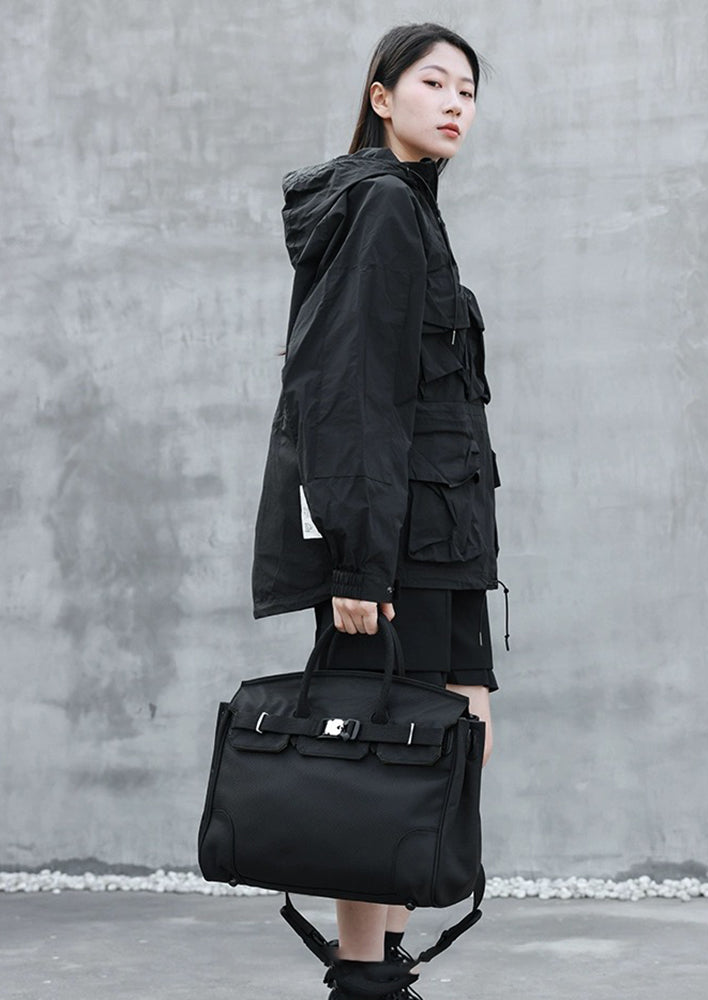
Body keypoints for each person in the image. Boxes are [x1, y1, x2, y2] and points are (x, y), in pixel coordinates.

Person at [252, 22, 501, 1000]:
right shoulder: (384, 206)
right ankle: (364, 978)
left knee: (433, 748)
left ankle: (379, 967)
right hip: (399, 548)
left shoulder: (410, 207)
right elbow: (349, 393)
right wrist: (358, 565)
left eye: (468, 90)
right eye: (433, 82)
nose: (455, 103)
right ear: (381, 96)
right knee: (383, 756)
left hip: (443, 538)